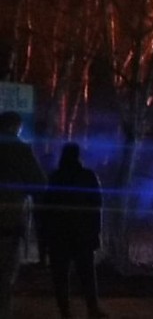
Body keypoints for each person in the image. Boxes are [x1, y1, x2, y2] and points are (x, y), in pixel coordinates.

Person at [43, 143, 107, 319]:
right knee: (87, 274)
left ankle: (65, 312)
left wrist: (46, 236)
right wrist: (96, 232)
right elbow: (96, 205)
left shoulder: (56, 177)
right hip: (82, 234)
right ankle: (92, 309)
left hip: (59, 235)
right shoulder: (88, 176)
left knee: (61, 276)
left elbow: (48, 207)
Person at [0, 111, 47, 319]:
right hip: (8, 224)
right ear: (16, 127)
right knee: (4, 279)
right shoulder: (21, 150)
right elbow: (39, 184)